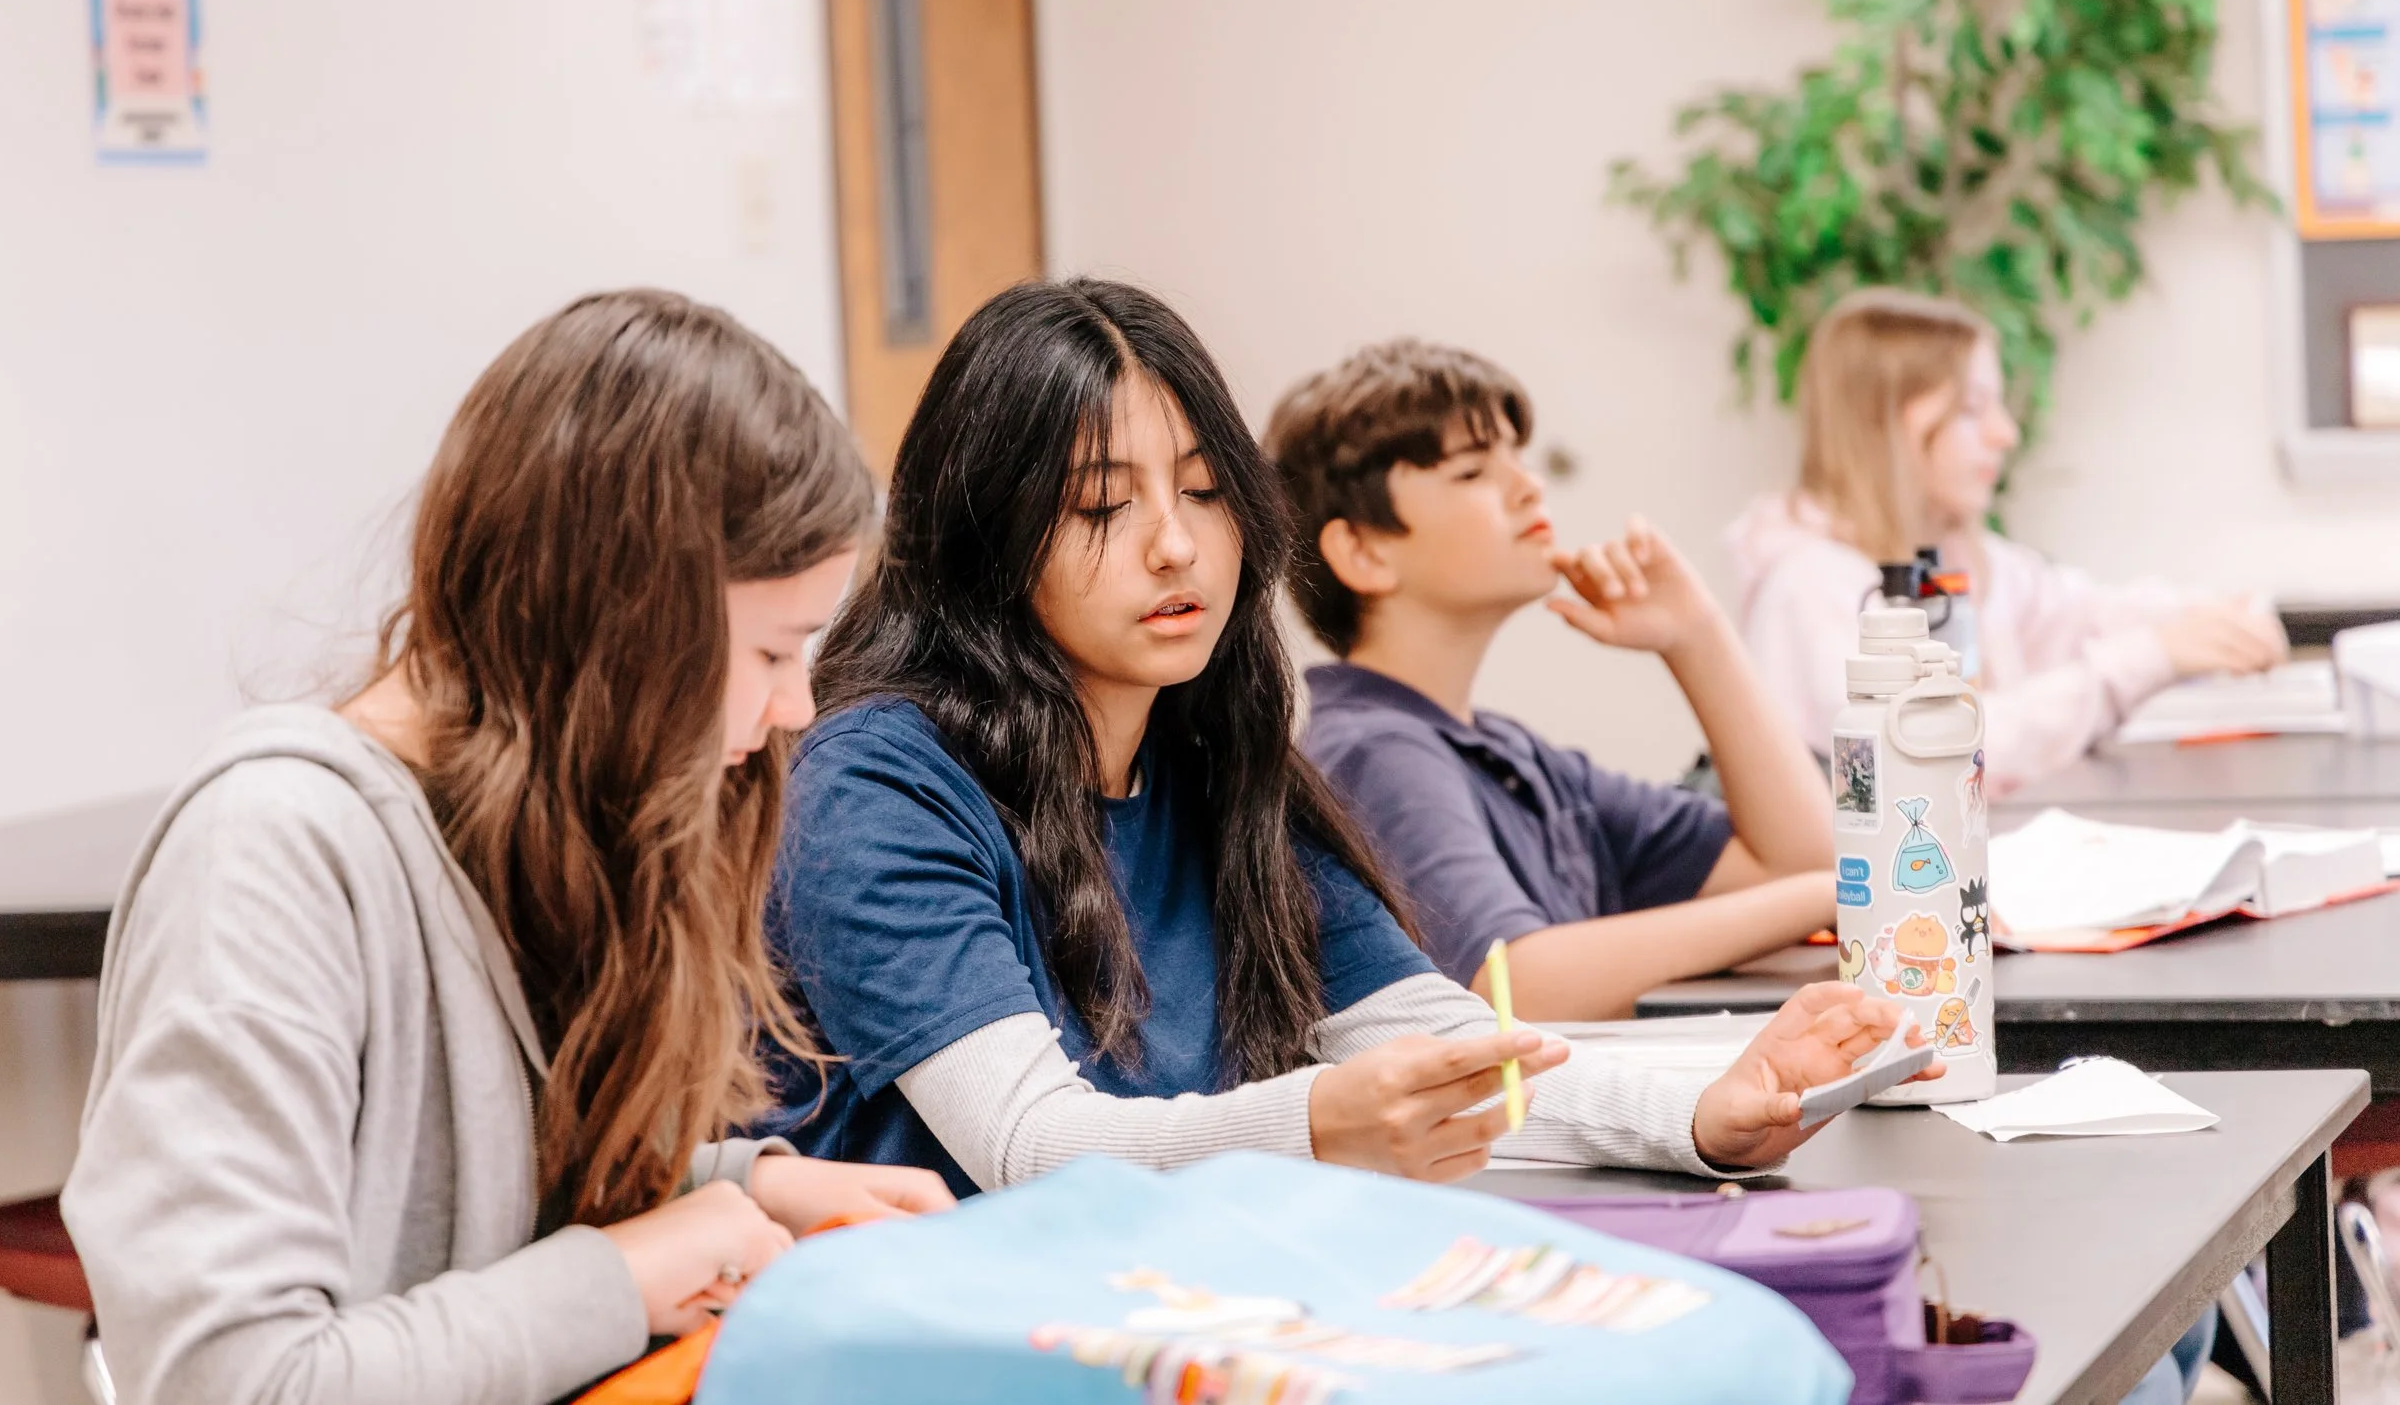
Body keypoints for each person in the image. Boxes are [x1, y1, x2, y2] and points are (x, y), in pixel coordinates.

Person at [760, 278, 1930, 1199]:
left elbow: (1439, 1034)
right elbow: (1027, 1145)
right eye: (1103, 503)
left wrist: (1703, 1112)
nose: (1175, 545)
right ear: (985, 537)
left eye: (1204, 491)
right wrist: (1317, 1120)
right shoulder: (875, 781)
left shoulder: (1211, 761)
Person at [63, 291, 952, 1405]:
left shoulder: (530, 821)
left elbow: (490, 1202)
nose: (797, 709)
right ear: (622, 629)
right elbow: (234, 1378)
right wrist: (621, 1275)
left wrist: (745, 1189)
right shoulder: (270, 851)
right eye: (774, 652)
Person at [1264, 340, 1835, 1021]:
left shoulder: (1508, 753)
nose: (1528, 485)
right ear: (1362, 551)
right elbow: (1511, 985)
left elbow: (1802, 857)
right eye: (1473, 471)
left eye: (1519, 456)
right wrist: (1825, 894)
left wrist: (1697, 636)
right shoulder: (1374, 751)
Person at [1729, 289, 2287, 796]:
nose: (2005, 433)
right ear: (1884, 427)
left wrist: (2219, 618)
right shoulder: (1809, 589)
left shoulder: (1965, 557)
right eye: (1971, 410)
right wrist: (2151, 657)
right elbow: (1949, 752)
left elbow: (2086, 613)